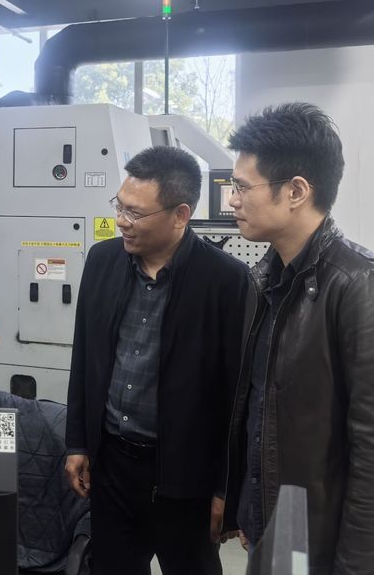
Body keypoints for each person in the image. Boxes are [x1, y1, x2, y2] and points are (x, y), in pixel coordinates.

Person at [223, 102, 374, 575]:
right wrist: (252, 508)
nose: (232, 200)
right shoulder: (268, 279)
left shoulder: (366, 287)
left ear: (296, 191)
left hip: (331, 533)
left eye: (242, 187)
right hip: (284, 519)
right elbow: (262, 411)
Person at [65, 146, 249, 575]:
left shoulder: (225, 281)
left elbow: (236, 396)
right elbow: (84, 359)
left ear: (180, 214)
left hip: (184, 478)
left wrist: (226, 488)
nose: (121, 221)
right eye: (119, 207)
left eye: (135, 213)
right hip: (112, 467)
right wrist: (77, 443)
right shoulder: (102, 261)